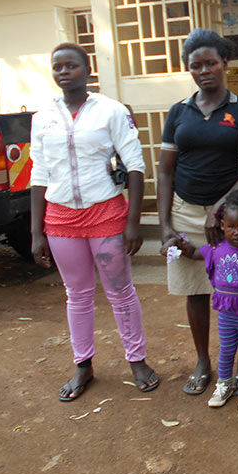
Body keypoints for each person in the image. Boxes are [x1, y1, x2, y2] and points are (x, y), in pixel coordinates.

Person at [30, 42, 159, 401]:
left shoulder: (111, 111)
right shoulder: (43, 118)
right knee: (77, 295)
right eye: (57, 67)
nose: (63, 72)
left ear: (87, 71)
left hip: (106, 214)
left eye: (71, 65)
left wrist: (133, 222)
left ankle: (137, 359)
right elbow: (39, 174)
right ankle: (83, 364)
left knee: (120, 292)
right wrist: (36, 231)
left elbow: (135, 165)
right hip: (60, 219)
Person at [158, 28, 238, 396]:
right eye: (196, 65)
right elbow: (165, 170)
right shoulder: (178, 112)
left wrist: (219, 209)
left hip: (232, 217)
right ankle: (203, 361)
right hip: (185, 211)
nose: (204, 70)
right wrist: (165, 224)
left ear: (225, 64)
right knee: (195, 291)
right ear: (188, 69)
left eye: (211, 63)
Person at [162, 191, 238, 411]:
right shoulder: (216, 249)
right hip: (226, 314)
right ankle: (224, 384)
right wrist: (178, 245)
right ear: (221, 225)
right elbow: (193, 253)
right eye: (231, 227)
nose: (237, 232)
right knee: (226, 351)